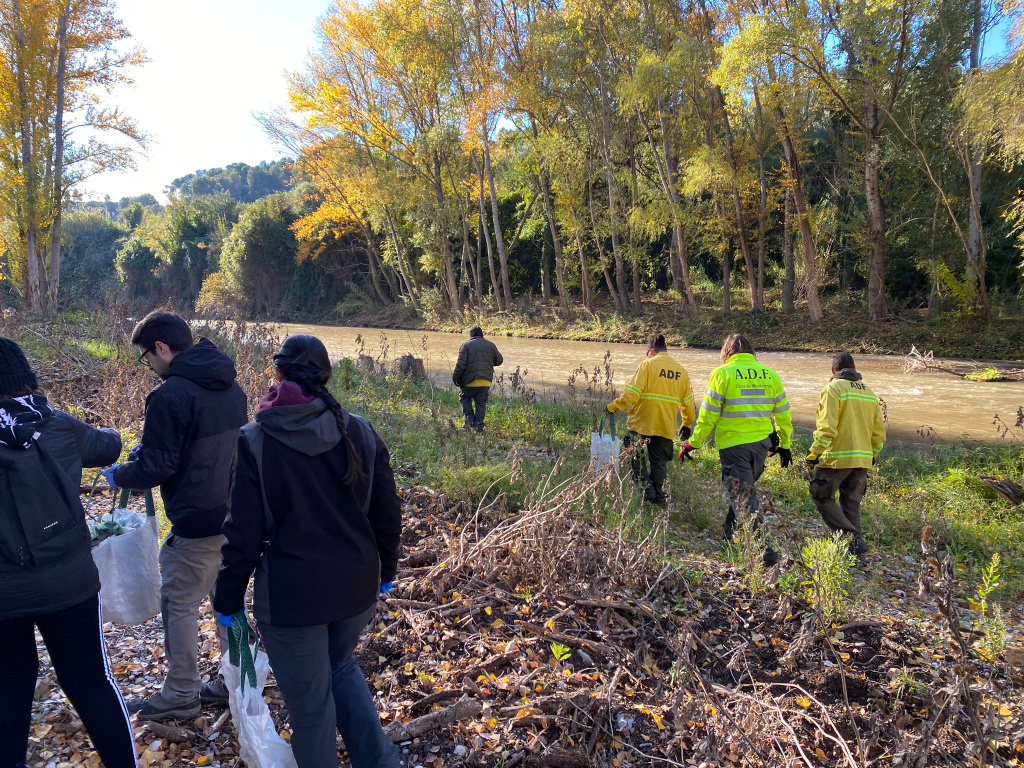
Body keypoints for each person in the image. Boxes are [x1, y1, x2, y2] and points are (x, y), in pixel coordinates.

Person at [214, 334, 402, 768]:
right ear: (326, 376)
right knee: (339, 666)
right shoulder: (359, 430)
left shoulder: (256, 439)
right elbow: (387, 513)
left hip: (292, 597)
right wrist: (386, 570)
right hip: (356, 588)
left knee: (312, 709)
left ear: (276, 374)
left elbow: (241, 533)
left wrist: (227, 599)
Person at [102, 311, 247, 721]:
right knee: (229, 600)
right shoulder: (231, 386)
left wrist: (120, 474)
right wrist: (146, 456)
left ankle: (182, 691)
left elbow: (159, 467)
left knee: (179, 602)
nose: (148, 364)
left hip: (196, 522)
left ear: (162, 348)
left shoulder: (170, 396)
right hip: (236, 516)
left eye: (147, 356)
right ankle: (239, 680)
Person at [0, 338, 137, 768]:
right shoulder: (58, 425)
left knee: (7, 690)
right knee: (92, 684)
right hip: (70, 582)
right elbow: (109, 446)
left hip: (4, 594)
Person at [680, 334, 792, 564]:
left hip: (734, 445)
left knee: (744, 496)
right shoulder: (770, 374)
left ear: (726, 353)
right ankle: (728, 535)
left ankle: (766, 550)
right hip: (760, 446)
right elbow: (783, 413)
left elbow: (708, 414)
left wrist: (694, 442)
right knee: (744, 492)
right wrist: (784, 444)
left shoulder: (722, 374)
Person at [806, 352, 886, 556]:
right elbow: (878, 432)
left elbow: (827, 427)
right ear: (855, 369)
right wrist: (873, 453)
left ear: (833, 371)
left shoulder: (833, 389)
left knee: (821, 495)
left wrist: (814, 454)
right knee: (851, 502)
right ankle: (855, 549)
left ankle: (851, 538)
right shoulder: (869, 392)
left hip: (837, 457)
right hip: (863, 459)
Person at [605, 334, 695, 507]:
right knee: (659, 463)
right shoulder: (681, 371)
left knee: (635, 456)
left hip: (641, 424)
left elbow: (631, 395)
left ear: (650, 351)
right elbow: (688, 403)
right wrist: (687, 423)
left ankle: (647, 491)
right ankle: (660, 499)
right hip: (665, 426)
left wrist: (613, 407)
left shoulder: (647, 365)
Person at [452, 326, 503, 433]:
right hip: (485, 381)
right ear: (481, 334)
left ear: (471, 335)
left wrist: (455, 378)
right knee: (481, 403)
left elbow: (461, 365)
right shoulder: (491, 345)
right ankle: (479, 427)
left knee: (465, 399)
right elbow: (499, 361)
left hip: (469, 381)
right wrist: (487, 362)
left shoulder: (466, 346)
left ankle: (469, 423)